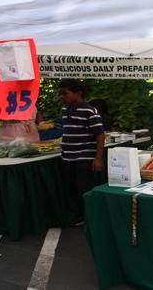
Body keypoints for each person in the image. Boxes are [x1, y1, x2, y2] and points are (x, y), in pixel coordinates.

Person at [58, 79, 105, 225]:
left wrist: (98, 158)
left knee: (84, 188)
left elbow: (100, 134)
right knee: (71, 188)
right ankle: (78, 216)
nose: (61, 97)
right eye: (60, 94)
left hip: (84, 156)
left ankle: (90, 216)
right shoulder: (65, 111)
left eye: (65, 93)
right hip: (68, 157)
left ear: (78, 93)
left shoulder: (90, 111)